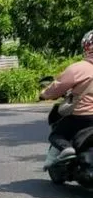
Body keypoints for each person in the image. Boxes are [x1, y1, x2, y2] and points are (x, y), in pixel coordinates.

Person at [39, 31, 93, 159]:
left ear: (86, 47)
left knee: (56, 135)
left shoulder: (78, 68)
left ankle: (67, 148)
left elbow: (57, 87)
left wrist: (43, 95)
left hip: (83, 116)